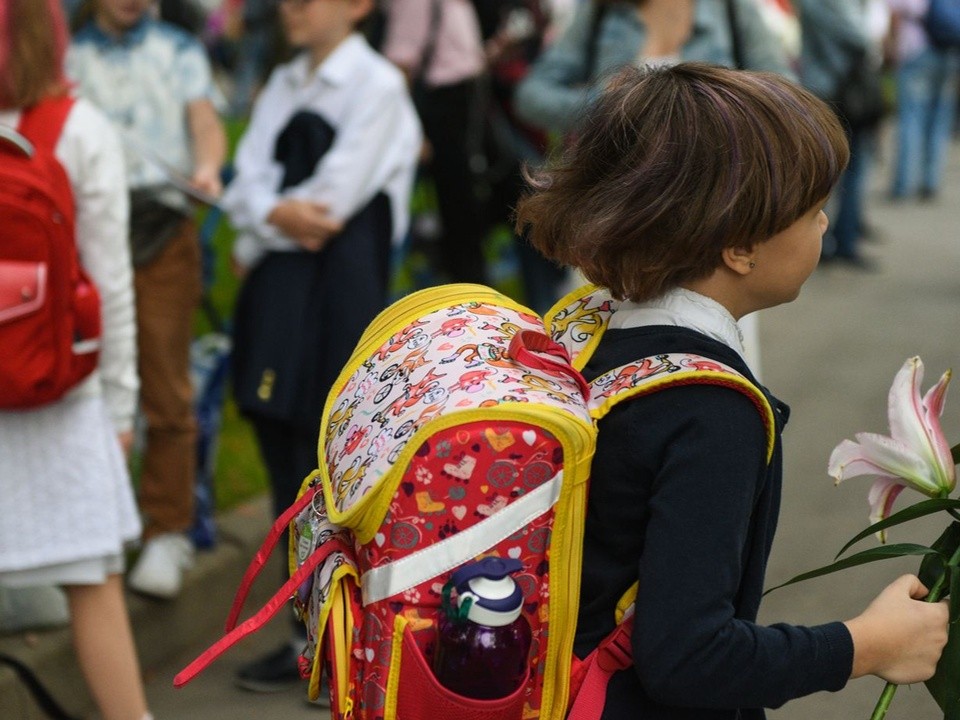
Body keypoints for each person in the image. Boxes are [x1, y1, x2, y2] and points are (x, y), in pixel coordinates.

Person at [514, 62, 950, 719]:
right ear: (740, 246)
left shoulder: (580, 331)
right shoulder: (710, 409)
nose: (826, 225)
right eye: (812, 209)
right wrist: (863, 645)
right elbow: (688, 658)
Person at [219, 0, 421, 692]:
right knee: (280, 452)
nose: (289, 9)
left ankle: (347, 642)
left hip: (339, 301)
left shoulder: (379, 88)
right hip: (279, 295)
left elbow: (328, 209)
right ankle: (308, 637)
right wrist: (274, 212)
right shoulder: (283, 83)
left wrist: (261, 213)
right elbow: (240, 189)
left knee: (329, 462)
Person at [0, 1, 152, 718]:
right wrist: (121, 408)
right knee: (92, 581)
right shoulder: (80, 130)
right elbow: (111, 285)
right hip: (60, 393)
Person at [67, 0, 228, 599]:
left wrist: (208, 166)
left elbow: (205, 121)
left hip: (162, 228)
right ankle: (91, 526)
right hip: (85, 231)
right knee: (82, 382)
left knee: (165, 377)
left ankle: (167, 527)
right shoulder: (67, 56)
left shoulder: (179, 50)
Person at [381, 0, 488, 285]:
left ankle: (471, 288)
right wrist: (410, 131)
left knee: (466, 207)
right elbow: (398, 68)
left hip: (466, 103)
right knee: (450, 211)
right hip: (438, 110)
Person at [885, 0, 960, 200]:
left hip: (915, 51)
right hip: (947, 53)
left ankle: (904, 184)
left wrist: (891, 49)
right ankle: (931, 181)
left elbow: (893, 14)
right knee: (939, 121)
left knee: (911, 118)